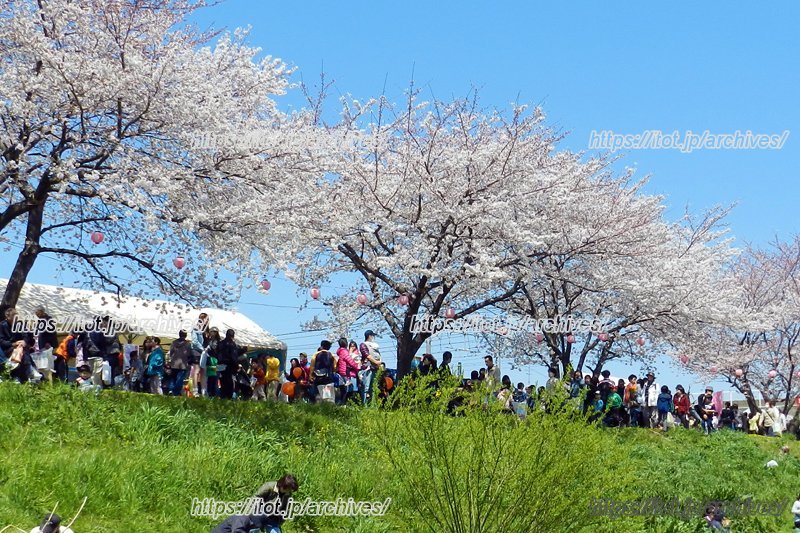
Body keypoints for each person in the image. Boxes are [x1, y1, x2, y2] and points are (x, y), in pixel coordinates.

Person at [211, 474, 299, 533]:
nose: (289, 491)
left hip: (272, 518)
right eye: (289, 488)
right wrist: (247, 515)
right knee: (251, 530)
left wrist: (279, 522)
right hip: (257, 515)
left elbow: (284, 510)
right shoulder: (269, 486)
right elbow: (255, 499)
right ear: (283, 485)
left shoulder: (288, 495)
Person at [218, 329, 244, 400]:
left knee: (222, 382)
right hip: (228, 366)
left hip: (220, 365)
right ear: (233, 336)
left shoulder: (220, 343)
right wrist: (236, 366)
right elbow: (233, 356)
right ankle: (228, 397)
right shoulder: (232, 344)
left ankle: (222, 396)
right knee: (229, 383)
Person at [358, 330, 382, 405]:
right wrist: (376, 362)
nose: (373, 337)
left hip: (375, 368)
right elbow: (367, 355)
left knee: (374, 388)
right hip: (367, 368)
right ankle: (365, 405)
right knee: (366, 387)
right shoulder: (363, 345)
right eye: (372, 336)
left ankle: (373, 405)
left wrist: (379, 362)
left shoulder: (374, 346)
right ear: (369, 336)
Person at [168, 330, 192, 396]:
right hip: (183, 364)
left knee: (173, 378)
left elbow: (171, 352)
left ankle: (170, 390)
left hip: (174, 363)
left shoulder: (173, 342)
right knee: (180, 379)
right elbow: (189, 354)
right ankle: (175, 392)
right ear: (186, 335)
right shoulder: (188, 344)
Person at [335, 338, 358, 404]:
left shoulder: (340, 351)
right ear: (346, 343)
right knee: (348, 390)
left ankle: (342, 404)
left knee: (343, 389)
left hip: (341, 371)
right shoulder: (344, 351)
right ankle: (345, 404)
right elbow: (350, 361)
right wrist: (357, 367)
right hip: (345, 372)